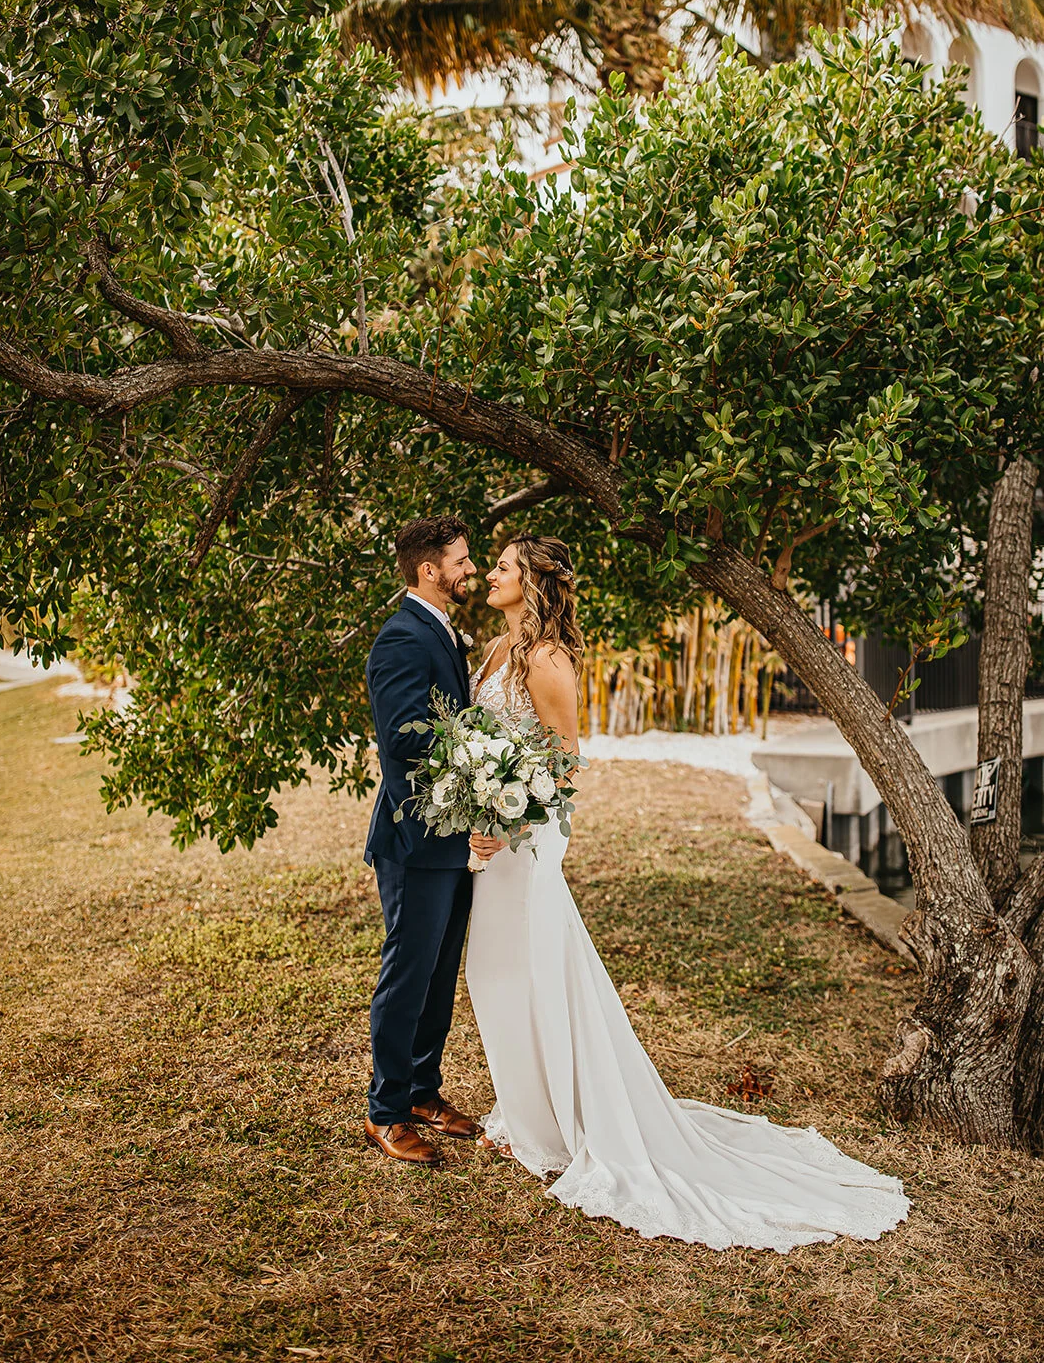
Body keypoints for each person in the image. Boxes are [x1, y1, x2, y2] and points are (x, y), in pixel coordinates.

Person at [465, 533, 911, 1249]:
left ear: (535, 583)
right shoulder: (492, 653)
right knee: (492, 973)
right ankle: (523, 1113)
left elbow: (568, 759)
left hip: (528, 838)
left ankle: (547, 1130)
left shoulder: (547, 661)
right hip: (489, 837)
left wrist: (508, 815)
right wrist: (471, 805)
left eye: (503, 566)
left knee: (531, 971)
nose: (490, 573)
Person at [362, 515, 482, 1167]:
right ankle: (385, 1110)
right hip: (415, 839)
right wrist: (484, 749)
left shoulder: (437, 630)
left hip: (452, 836)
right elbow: (403, 741)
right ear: (428, 569)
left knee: (438, 976)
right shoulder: (401, 639)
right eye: (461, 560)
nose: (470, 569)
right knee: (408, 976)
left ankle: (423, 1092)